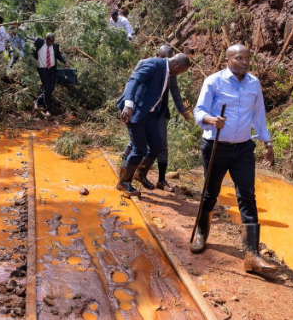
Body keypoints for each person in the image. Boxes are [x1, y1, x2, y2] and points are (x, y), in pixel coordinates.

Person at [191, 43, 277, 275]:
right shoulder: (213, 81)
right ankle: (201, 234)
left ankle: (252, 256)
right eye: (239, 58)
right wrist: (211, 120)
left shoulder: (254, 84)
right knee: (210, 192)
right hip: (215, 145)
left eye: (247, 58)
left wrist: (267, 142)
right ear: (227, 60)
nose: (244, 62)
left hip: (243, 149)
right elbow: (198, 111)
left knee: (247, 195)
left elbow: (259, 115)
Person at [116, 53, 191, 198]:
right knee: (139, 149)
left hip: (149, 113)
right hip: (135, 111)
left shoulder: (168, 71)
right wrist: (128, 104)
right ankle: (123, 182)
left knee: (156, 146)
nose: (180, 74)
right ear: (176, 66)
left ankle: (140, 172)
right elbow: (134, 80)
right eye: (181, 71)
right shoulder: (155, 65)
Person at [33, 33, 70, 118]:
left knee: (51, 88)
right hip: (42, 69)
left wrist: (65, 61)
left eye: (53, 41)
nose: (51, 43)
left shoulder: (55, 46)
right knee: (47, 88)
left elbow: (59, 56)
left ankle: (37, 101)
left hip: (52, 69)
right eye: (50, 41)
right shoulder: (39, 42)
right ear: (46, 39)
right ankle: (49, 109)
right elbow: (29, 41)